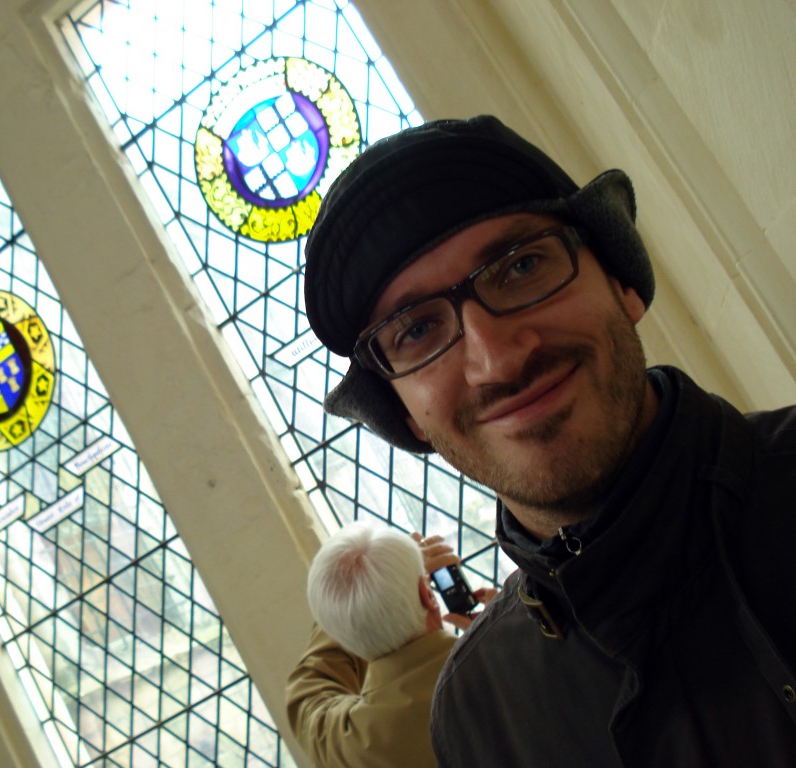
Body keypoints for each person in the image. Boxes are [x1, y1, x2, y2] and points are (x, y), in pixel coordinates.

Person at [301, 115, 796, 767]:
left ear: (621, 280)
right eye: (417, 330)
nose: (498, 360)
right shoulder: (480, 717)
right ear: (407, 416)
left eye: (521, 267)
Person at [285, 522, 491, 767]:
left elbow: (308, 691)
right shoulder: (509, 661)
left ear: (337, 632)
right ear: (428, 595)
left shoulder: (354, 744)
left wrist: (350, 607)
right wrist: (508, 621)